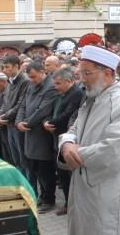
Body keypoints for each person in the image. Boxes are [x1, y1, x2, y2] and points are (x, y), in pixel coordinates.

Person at [58, 45, 120, 235]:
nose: (82, 79)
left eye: (87, 73)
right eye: (81, 73)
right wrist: (66, 145)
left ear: (107, 73)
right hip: (83, 190)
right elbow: (73, 130)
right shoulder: (91, 100)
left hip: (111, 195)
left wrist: (75, 152)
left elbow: (111, 152)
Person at [15, 61, 58, 213]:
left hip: (41, 135)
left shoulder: (51, 87)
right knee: (35, 168)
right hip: (29, 133)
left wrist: (26, 122)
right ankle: (42, 196)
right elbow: (23, 105)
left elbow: (43, 110)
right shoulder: (30, 86)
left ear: (42, 72)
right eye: (30, 77)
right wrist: (19, 121)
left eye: (34, 77)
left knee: (45, 169)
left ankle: (49, 199)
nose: (32, 80)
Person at [45, 67, 83, 216]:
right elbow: (51, 110)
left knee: (68, 175)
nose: (56, 86)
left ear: (68, 81)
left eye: (59, 83)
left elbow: (68, 115)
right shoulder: (60, 94)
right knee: (61, 173)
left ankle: (71, 204)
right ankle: (68, 202)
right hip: (56, 136)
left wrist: (51, 123)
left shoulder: (76, 93)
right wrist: (46, 122)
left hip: (66, 138)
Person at [0, 55, 30, 170]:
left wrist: (4, 116)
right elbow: (6, 102)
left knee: (23, 162)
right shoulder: (9, 81)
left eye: (7, 67)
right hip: (9, 125)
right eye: (3, 67)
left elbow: (20, 104)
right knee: (15, 160)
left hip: (17, 124)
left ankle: (28, 187)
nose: (4, 70)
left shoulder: (25, 81)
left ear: (16, 66)